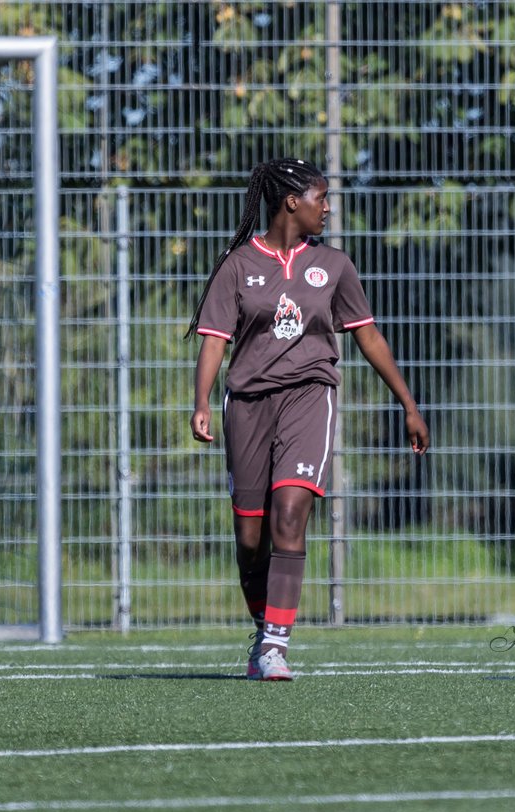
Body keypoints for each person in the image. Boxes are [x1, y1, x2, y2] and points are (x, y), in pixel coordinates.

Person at [187, 158, 430, 681]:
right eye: (321, 198)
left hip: (308, 397)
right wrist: (202, 401)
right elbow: (213, 338)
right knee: (251, 540)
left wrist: (408, 405)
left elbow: (368, 336)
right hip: (248, 404)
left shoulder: (335, 266)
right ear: (292, 202)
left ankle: (275, 646)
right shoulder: (236, 265)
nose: (328, 207)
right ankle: (263, 630)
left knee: (291, 513)